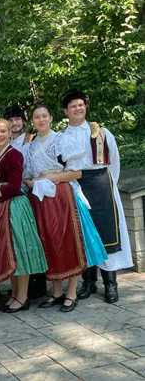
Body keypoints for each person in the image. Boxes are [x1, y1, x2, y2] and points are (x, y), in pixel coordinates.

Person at [23, 104, 108, 312]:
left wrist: (49, 178)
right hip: (41, 198)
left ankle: (71, 292)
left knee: (67, 240)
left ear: (51, 118)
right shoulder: (30, 146)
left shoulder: (62, 140)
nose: (41, 120)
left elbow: (76, 173)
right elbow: (26, 177)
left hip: (62, 196)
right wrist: (33, 183)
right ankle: (57, 291)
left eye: (44, 116)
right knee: (49, 242)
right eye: (36, 117)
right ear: (32, 121)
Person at [61, 88, 133, 303]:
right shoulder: (61, 137)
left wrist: (109, 185)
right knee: (82, 233)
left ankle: (111, 284)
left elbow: (115, 162)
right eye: (72, 105)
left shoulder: (101, 132)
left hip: (101, 184)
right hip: (75, 185)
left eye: (80, 104)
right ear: (65, 111)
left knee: (106, 233)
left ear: (86, 107)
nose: (77, 108)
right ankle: (89, 282)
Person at [0, 118, 48, 313]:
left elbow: (14, 186)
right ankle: (14, 293)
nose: (0, 135)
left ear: (9, 132)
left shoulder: (14, 155)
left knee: (19, 252)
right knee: (9, 253)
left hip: (14, 207)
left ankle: (23, 297)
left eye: (3, 131)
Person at [4, 103, 46, 299]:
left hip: (31, 191)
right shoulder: (3, 142)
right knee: (19, 240)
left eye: (17, 119)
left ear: (23, 121)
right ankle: (21, 284)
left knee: (35, 238)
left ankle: (39, 282)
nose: (14, 123)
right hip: (12, 195)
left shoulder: (31, 140)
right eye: (11, 120)